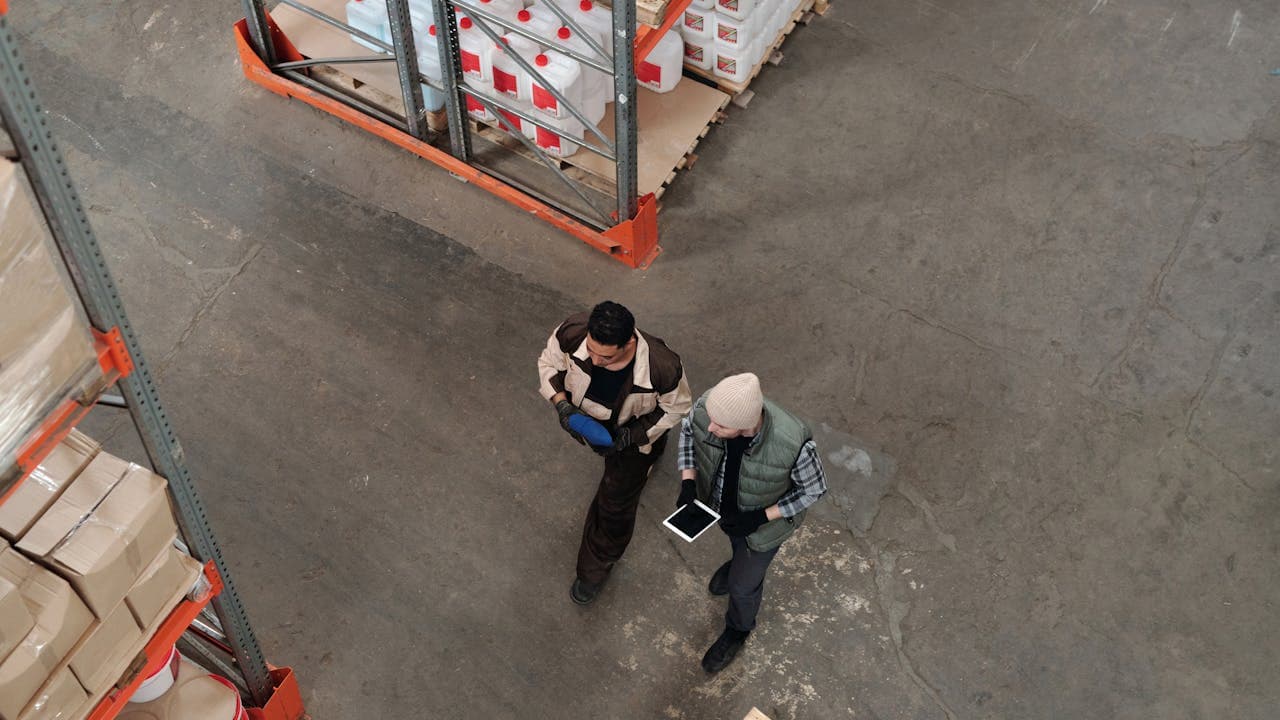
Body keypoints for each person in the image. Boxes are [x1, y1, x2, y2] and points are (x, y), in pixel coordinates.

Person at [538, 301, 692, 605]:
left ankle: (594, 569)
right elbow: (548, 364)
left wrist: (630, 437)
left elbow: (677, 407)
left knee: (614, 505)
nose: (593, 360)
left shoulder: (663, 367)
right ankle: (653, 448)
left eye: (605, 356)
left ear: (629, 343)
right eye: (591, 351)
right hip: (588, 418)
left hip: (630, 437)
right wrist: (562, 405)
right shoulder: (573, 331)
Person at [676, 372, 828, 673]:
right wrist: (689, 482)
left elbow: (814, 489)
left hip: (762, 529)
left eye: (721, 426)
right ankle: (736, 562)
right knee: (736, 545)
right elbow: (688, 432)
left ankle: (738, 629)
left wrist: (760, 517)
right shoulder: (711, 407)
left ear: (746, 425)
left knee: (743, 588)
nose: (712, 428)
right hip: (727, 513)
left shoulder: (793, 444)